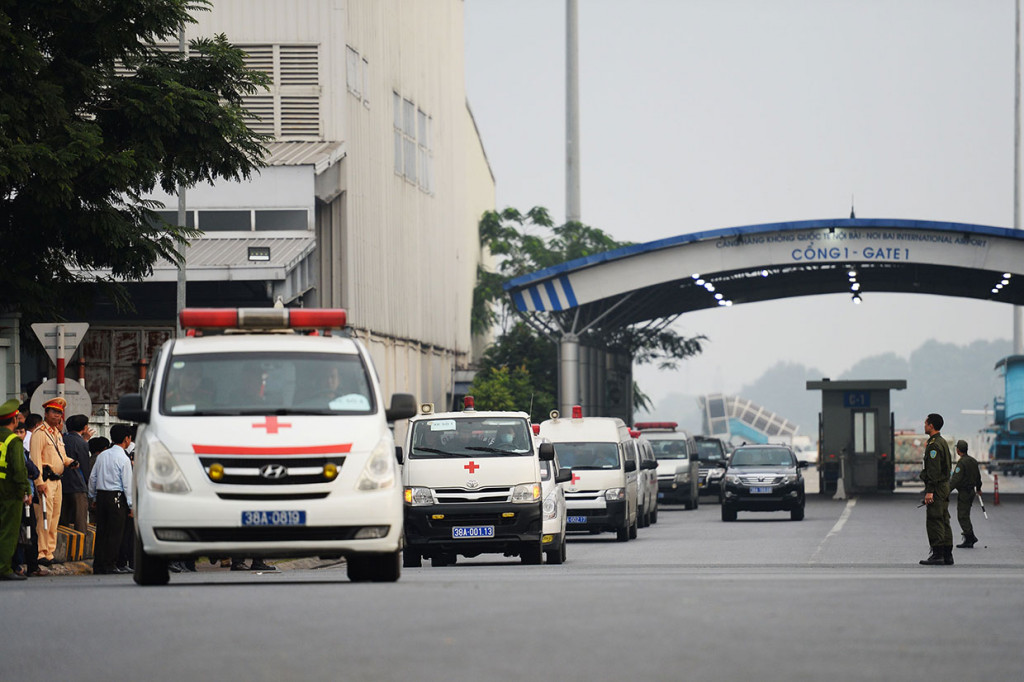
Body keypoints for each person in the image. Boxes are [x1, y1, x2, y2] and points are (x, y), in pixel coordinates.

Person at [29, 397, 79, 566]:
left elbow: (61, 456)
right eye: (54, 412)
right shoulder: (40, 433)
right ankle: (41, 553)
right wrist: (39, 482)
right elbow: (35, 460)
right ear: (46, 413)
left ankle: (49, 552)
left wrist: (69, 462)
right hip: (46, 481)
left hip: (57, 481)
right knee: (44, 517)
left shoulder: (56, 433)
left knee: (54, 518)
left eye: (59, 413)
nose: (57, 415)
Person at [88, 424, 134, 575]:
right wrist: (131, 505)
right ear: (127, 439)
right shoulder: (124, 458)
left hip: (101, 496)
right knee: (115, 533)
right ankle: (110, 564)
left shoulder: (102, 455)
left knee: (102, 531)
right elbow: (127, 484)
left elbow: (93, 478)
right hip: (116, 497)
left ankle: (98, 564)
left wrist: (93, 496)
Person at [1, 399, 33, 581]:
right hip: (10, 492)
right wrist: (25, 491)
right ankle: (4, 568)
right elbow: (20, 469)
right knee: (8, 531)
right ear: (14, 421)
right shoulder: (14, 441)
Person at [919, 413, 954, 566]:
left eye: (926, 423)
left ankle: (937, 554)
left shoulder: (933, 445)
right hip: (944, 485)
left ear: (931, 425)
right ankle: (947, 554)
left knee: (935, 519)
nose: (924, 425)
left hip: (937, 487)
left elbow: (934, 470)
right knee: (944, 518)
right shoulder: (943, 442)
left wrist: (930, 490)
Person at [60, 414, 94, 533]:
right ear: (85, 427)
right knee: (80, 521)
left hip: (62, 483)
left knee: (62, 521)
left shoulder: (61, 439)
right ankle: (81, 549)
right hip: (78, 485)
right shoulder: (82, 443)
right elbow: (85, 466)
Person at [950, 439, 982, 549]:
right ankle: (970, 536)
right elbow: (978, 477)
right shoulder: (973, 461)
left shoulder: (961, 462)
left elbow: (955, 480)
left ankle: (970, 537)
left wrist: (945, 491)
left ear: (958, 450)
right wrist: (979, 488)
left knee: (962, 516)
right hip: (971, 491)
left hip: (964, 492)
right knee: (965, 514)